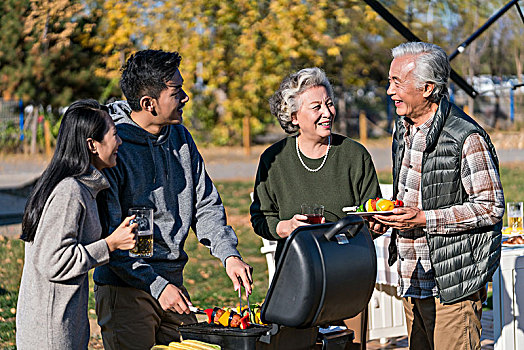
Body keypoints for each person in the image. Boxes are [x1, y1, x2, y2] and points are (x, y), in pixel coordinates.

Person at [93, 49, 253, 349]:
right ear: (148, 104)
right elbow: (109, 234)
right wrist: (156, 285)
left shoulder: (180, 137)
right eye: (176, 91)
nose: (186, 97)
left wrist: (229, 253)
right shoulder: (114, 146)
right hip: (126, 287)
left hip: (172, 286)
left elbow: (205, 203)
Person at [371, 42, 505, 350]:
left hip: (453, 283)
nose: (390, 91)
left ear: (428, 88)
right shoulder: (402, 130)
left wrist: (423, 218)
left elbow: (490, 207)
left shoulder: (466, 136)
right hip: (412, 275)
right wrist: (387, 219)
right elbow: (415, 194)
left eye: (397, 82)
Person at [250, 67, 381, 346]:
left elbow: (372, 214)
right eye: (316, 106)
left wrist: (375, 224)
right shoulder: (274, 160)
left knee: (348, 345)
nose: (327, 112)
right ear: (294, 116)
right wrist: (285, 227)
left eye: (329, 103)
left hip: (348, 276)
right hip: (298, 280)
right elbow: (261, 218)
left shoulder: (353, 155)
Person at [16, 100, 137, 350]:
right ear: (92, 145)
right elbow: (54, 262)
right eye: (115, 135)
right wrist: (110, 244)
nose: (120, 143)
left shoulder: (82, 187)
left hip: (64, 325)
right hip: (51, 333)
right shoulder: (69, 192)